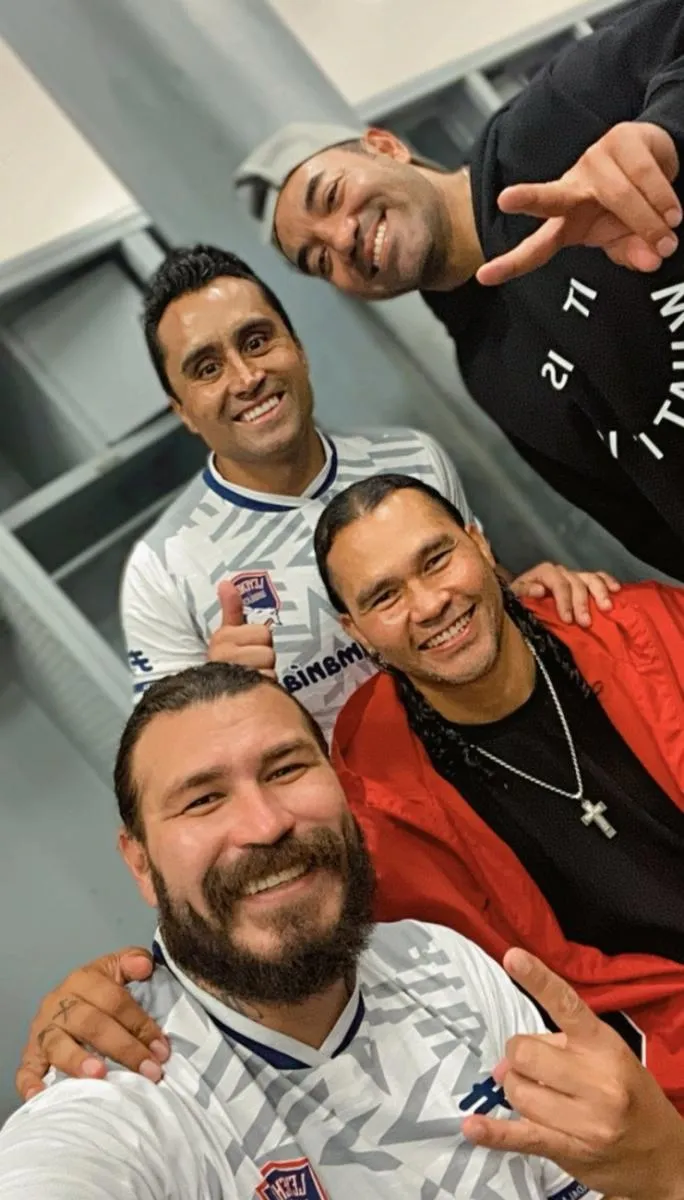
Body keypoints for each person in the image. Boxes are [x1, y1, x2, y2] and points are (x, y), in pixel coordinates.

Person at [3, 662, 683, 1200]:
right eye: (204, 799)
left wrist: (663, 1167)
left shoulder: (442, 958)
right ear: (140, 863)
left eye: (287, 769)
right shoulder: (119, 1093)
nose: (266, 824)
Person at [234, 0, 684, 579]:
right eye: (320, 260)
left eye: (332, 195)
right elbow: (645, 525)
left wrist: (665, 132)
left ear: (385, 146)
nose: (342, 238)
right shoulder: (487, 373)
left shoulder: (552, 122)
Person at [123, 242, 617, 736]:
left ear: (298, 349)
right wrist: (223, 703)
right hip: (359, 788)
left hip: (517, 748)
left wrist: (535, 592)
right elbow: (173, 752)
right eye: (207, 368)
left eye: (256, 341)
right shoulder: (163, 568)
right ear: (182, 411)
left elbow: (486, 598)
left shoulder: (412, 457)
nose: (247, 377)